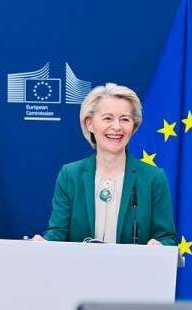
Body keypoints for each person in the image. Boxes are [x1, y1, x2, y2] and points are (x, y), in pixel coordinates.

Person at [33, 83, 177, 245]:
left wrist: (159, 246)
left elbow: (167, 238)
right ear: (89, 124)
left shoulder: (153, 178)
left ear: (134, 126)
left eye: (125, 119)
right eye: (108, 118)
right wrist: (44, 243)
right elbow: (58, 232)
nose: (116, 127)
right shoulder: (70, 175)